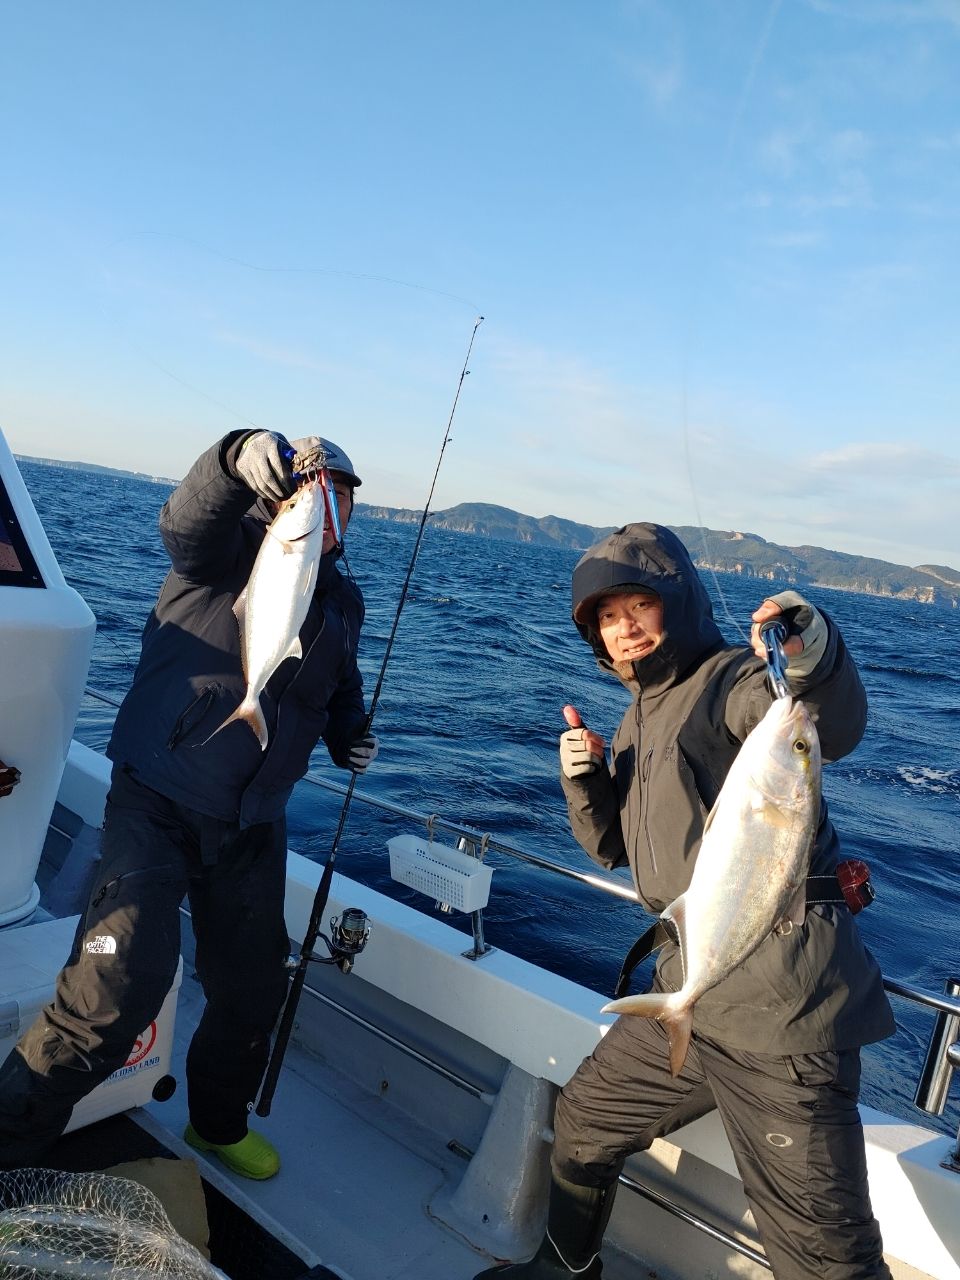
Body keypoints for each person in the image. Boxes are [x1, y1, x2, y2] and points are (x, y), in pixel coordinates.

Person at [477, 523, 894, 1280]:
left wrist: (812, 654)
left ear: (681, 602)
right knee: (585, 1119)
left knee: (826, 1254)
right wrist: (586, 782)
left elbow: (823, 723)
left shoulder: (730, 681)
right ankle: (565, 1269)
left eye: (642, 603)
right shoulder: (642, 714)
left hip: (780, 1016)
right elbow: (618, 853)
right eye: (607, 615)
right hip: (692, 994)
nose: (625, 625)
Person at [0, 429, 378, 1179]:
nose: (326, 500)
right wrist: (235, 456)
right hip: (159, 801)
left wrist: (348, 734)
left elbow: (333, 683)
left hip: (253, 823)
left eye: (339, 491)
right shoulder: (229, 550)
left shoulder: (341, 599)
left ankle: (216, 1124)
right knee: (114, 994)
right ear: (282, 497)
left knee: (251, 989)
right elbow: (183, 520)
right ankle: (8, 1144)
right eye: (311, 486)